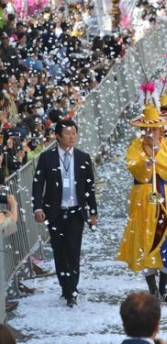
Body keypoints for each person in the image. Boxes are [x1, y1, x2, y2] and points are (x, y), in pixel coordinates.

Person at [117, 103, 167, 303]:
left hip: (166, 196)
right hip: (143, 197)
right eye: (146, 129)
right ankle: (152, 287)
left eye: (154, 129)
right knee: (146, 241)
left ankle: (164, 286)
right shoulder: (135, 147)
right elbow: (133, 166)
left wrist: (158, 152)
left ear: (160, 129)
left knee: (166, 238)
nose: (150, 133)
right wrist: (145, 164)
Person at [31, 119, 97, 307]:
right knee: (60, 252)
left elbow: (90, 188)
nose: (72, 137)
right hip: (55, 213)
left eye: (74, 133)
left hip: (76, 212)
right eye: (67, 133)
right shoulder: (46, 158)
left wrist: (93, 212)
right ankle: (64, 286)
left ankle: (72, 291)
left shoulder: (83, 157)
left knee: (73, 251)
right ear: (57, 136)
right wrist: (38, 207)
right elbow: (37, 184)